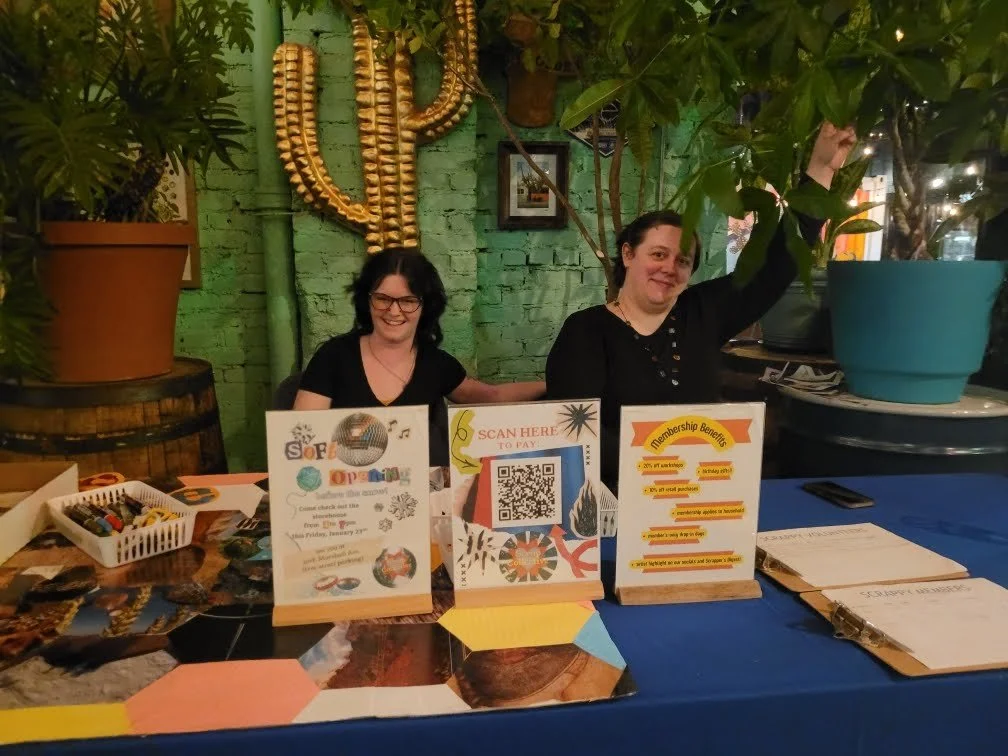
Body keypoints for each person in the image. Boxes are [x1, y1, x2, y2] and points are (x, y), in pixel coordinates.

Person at [545, 123, 857, 494]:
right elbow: (578, 433)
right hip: (616, 502)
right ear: (628, 254)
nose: (669, 268)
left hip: (704, 500)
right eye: (658, 254)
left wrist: (821, 169)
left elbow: (775, 266)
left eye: (683, 261)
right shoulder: (585, 332)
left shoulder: (703, 311)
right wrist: (672, 464)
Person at [294, 249, 545, 466]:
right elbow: (303, 437)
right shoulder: (334, 357)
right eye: (382, 298)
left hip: (413, 501)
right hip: (344, 496)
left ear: (425, 306)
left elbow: (491, 395)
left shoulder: (435, 365)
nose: (394, 311)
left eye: (408, 300)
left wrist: (552, 385)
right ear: (367, 300)